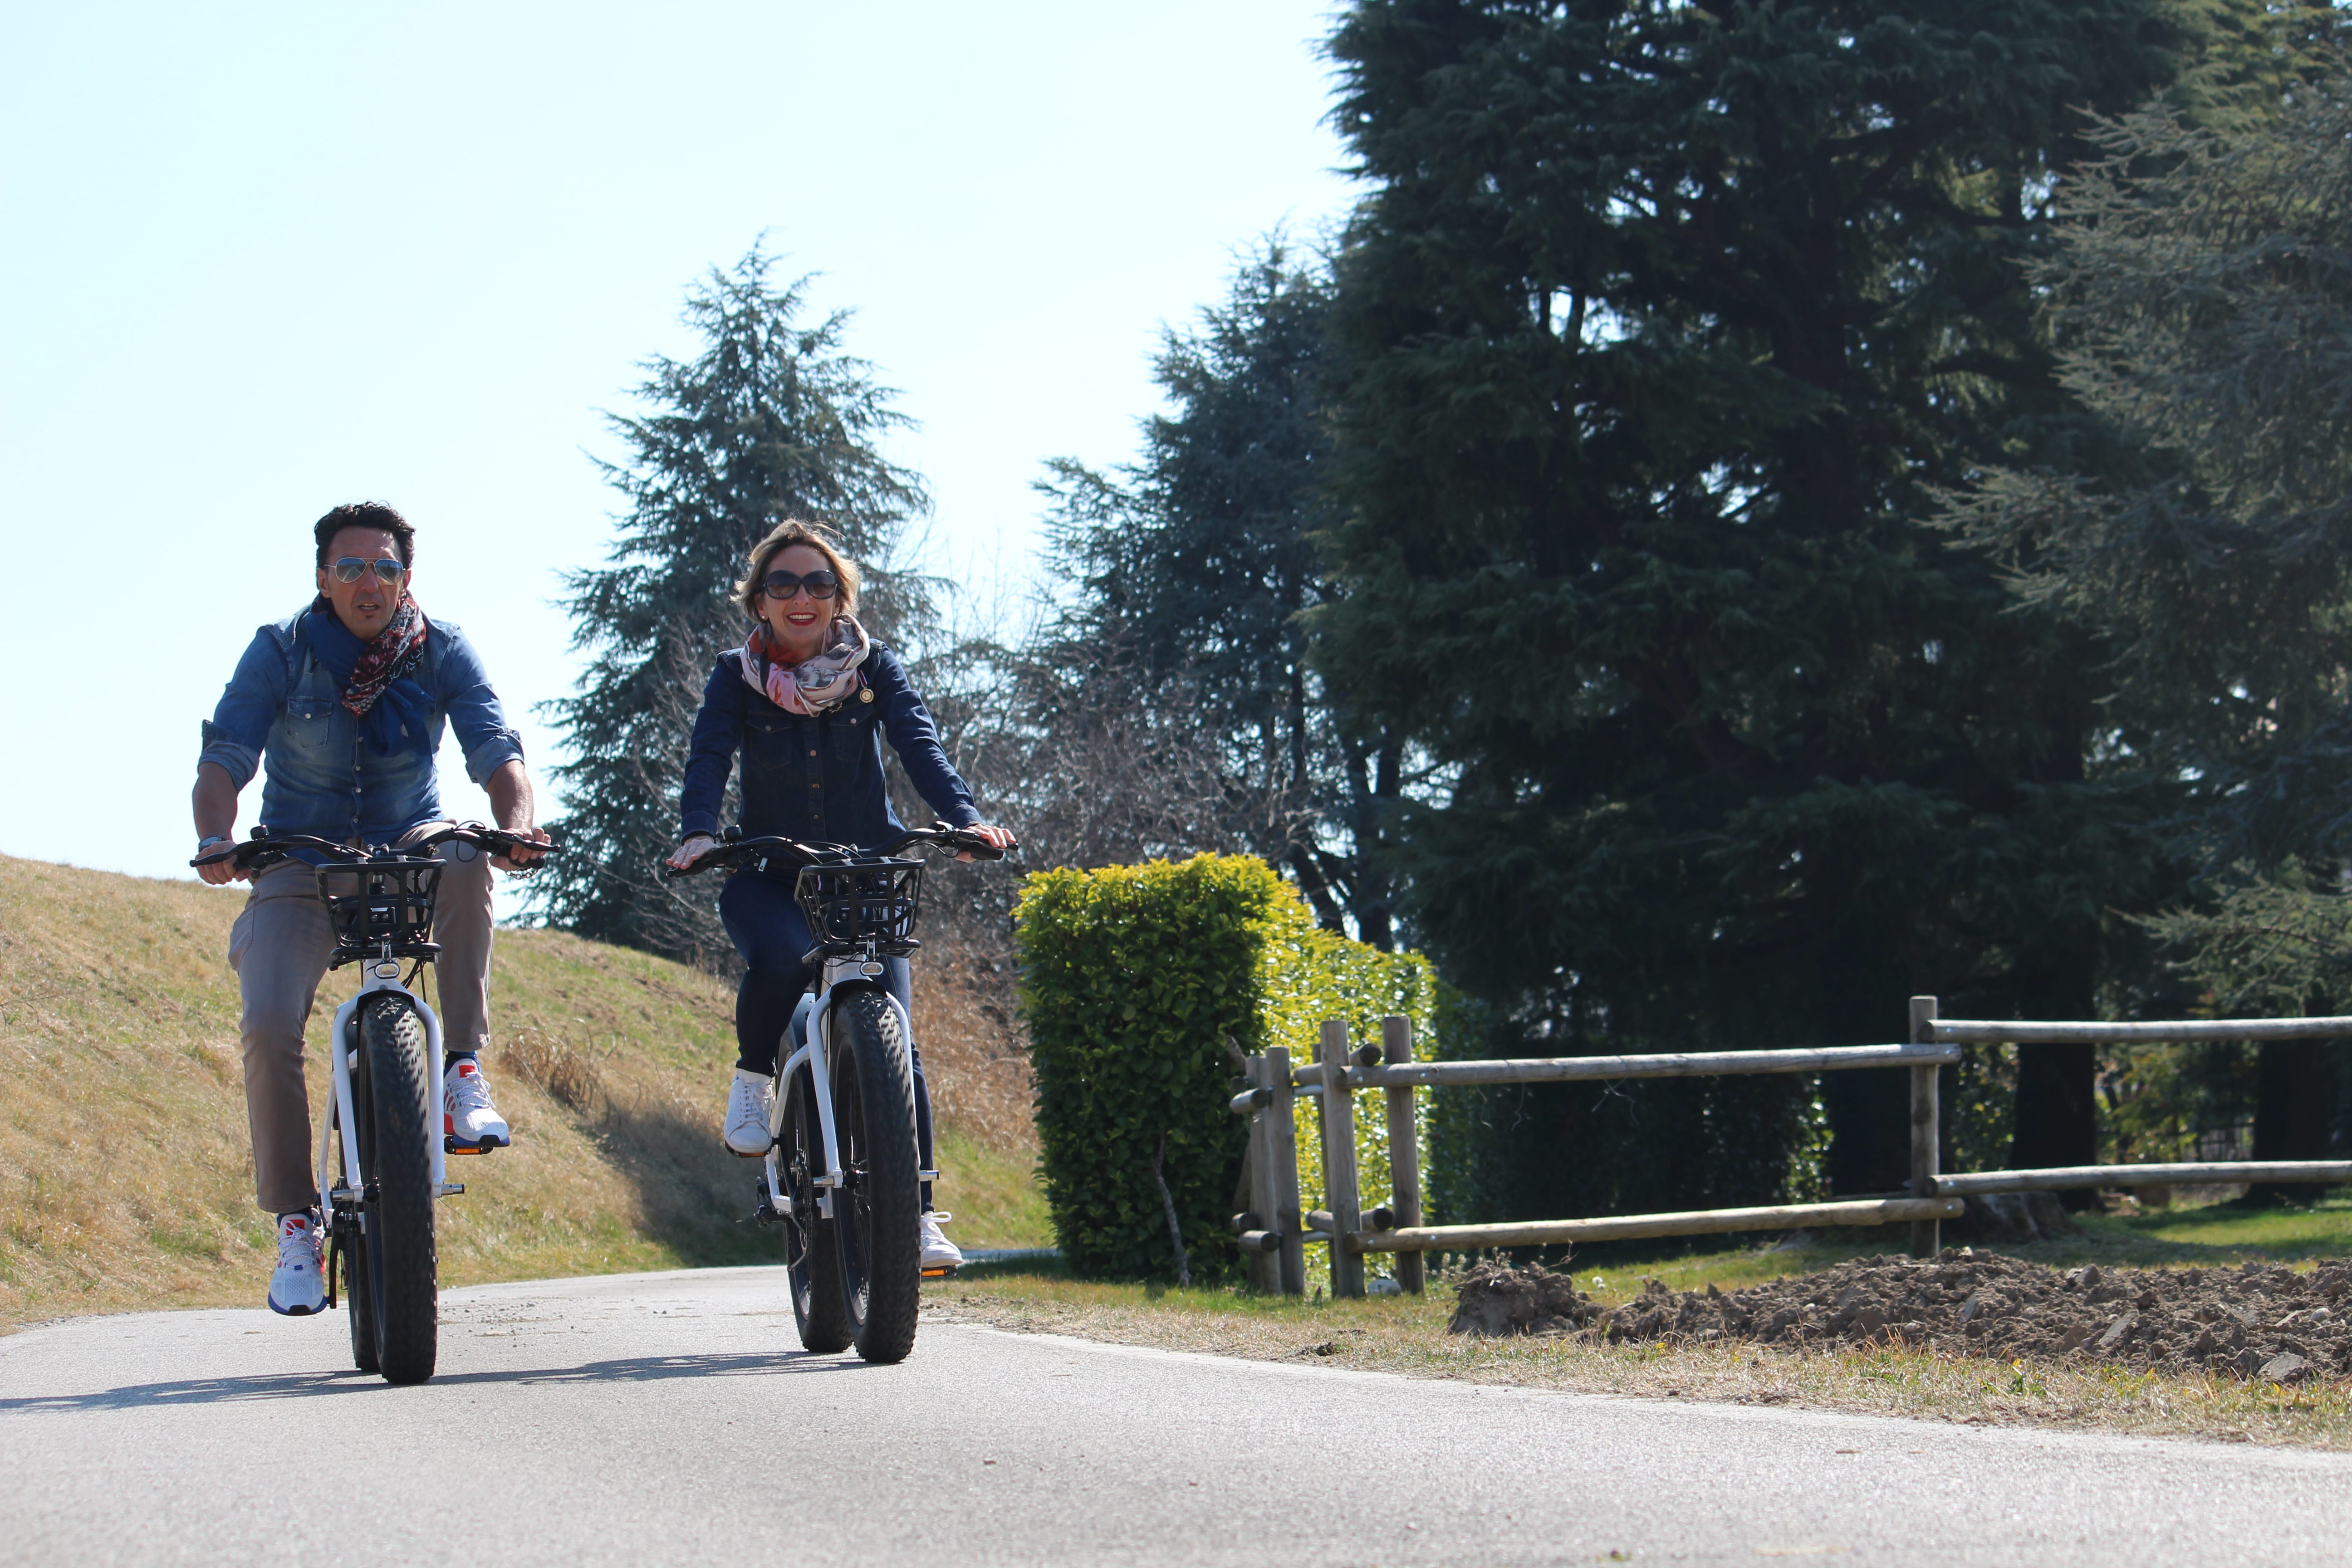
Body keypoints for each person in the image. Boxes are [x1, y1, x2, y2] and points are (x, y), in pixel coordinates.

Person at [194, 501, 549, 1316]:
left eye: (385, 569)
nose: (369, 583)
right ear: (323, 579)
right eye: (350, 568)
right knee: (267, 1023)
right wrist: (216, 836)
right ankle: (296, 1222)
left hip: (408, 851)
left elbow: (496, 750)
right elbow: (226, 757)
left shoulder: (442, 647)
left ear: (406, 579)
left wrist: (517, 824)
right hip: (302, 861)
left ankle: (461, 1070)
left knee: (466, 853)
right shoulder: (280, 649)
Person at [665, 520, 1014, 1272]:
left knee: (896, 1037)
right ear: (760, 601)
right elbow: (709, 755)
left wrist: (964, 818)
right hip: (771, 876)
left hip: (865, 881)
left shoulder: (873, 667)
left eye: (819, 583)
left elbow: (919, 742)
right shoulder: (734, 676)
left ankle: (916, 1212)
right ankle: (755, 1078)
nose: (803, 596)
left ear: (839, 597)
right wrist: (698, 831)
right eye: (784, 583)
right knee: (783, 958)